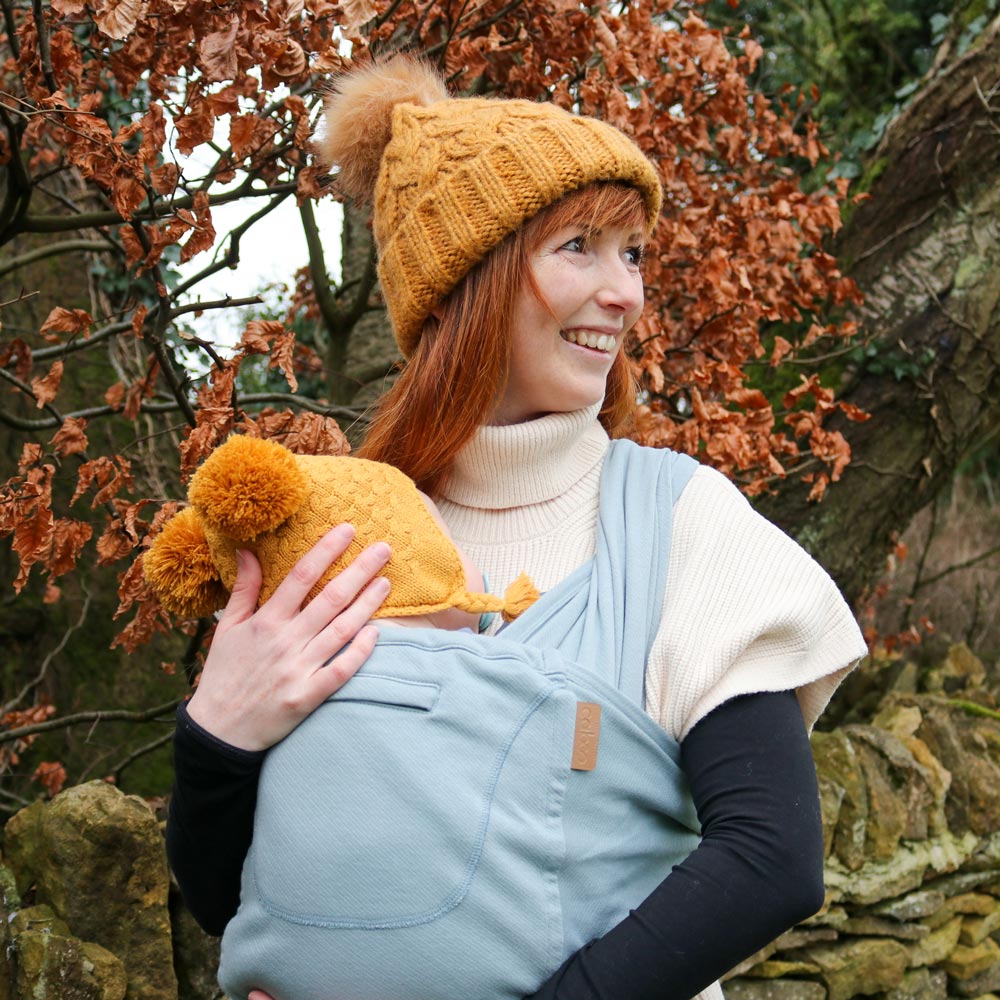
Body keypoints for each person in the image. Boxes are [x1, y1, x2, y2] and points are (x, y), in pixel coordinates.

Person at [167, 54, 868, 1000]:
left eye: (633, 252)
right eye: (578, 244)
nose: (625, 293)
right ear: (472, 278)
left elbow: (771, 858)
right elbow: (224, 894)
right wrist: (218, 731)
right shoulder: (342, 529)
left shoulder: (678, 526)